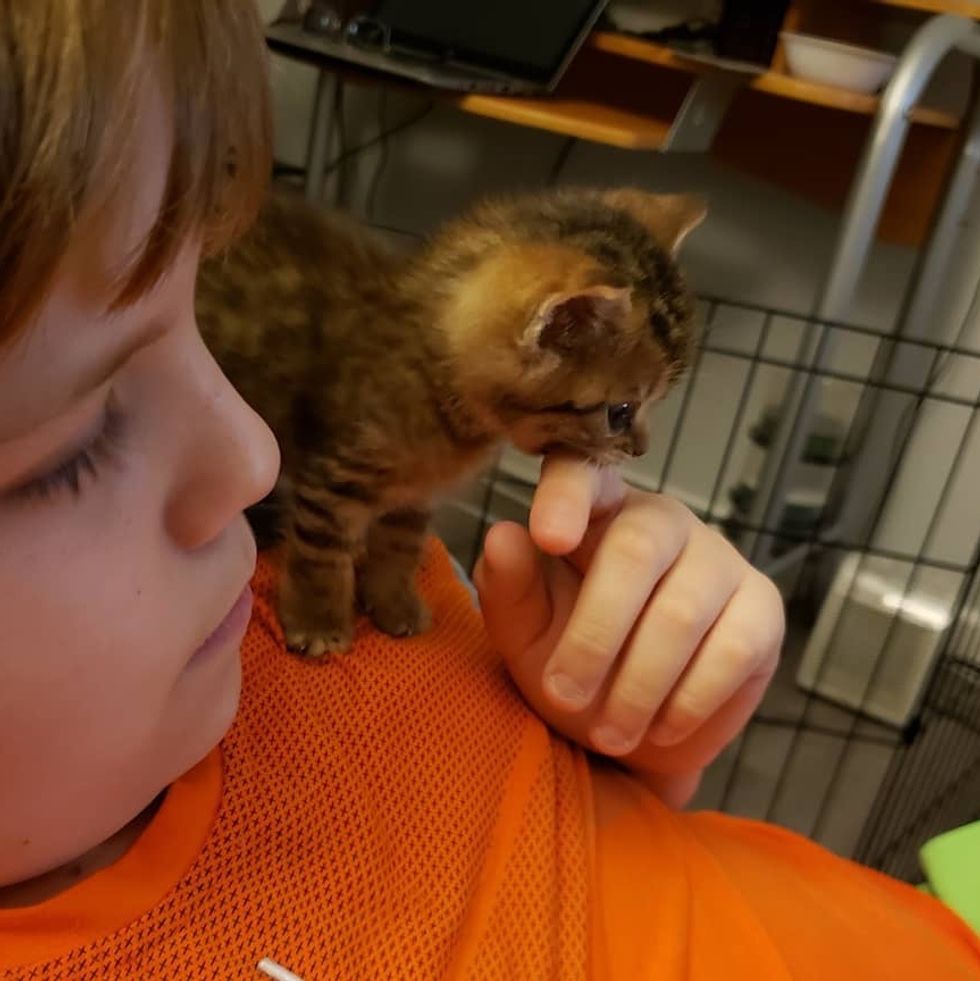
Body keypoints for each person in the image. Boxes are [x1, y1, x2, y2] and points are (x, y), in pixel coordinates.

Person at [0, 4, 976, 979]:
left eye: (198, 307)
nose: (258, 455)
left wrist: (622, 747)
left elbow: (575, 820)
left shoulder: (232, 611)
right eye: (73, 445)